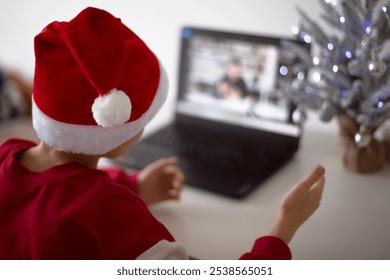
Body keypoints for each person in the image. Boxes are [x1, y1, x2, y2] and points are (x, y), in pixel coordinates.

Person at [0, 7, 325, 260]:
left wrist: (135, 184)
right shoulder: (112, 214)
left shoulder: (9, 152)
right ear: (113, 124)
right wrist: (283, 228)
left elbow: (62, 190)